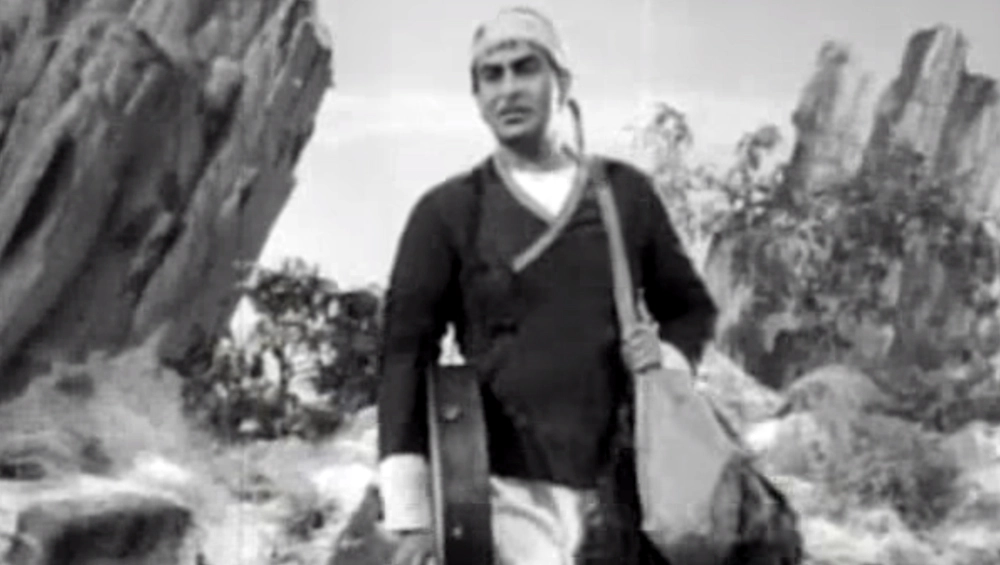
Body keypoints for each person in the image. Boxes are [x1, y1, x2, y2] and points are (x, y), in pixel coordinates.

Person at [377, 6, 719, 564]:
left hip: (624, 493)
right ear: (477, 96)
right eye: (491, 75)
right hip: (502, 496)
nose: (508, 89)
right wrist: (411, 513)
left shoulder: (623, 195)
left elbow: (690, 308)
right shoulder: (447, 212)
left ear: (562, 81)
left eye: (525, 68)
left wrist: (668, 358)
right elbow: (403, 356)